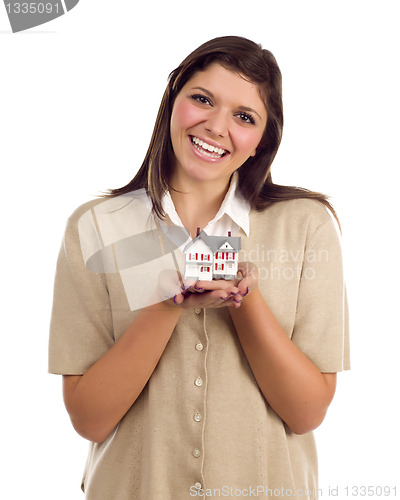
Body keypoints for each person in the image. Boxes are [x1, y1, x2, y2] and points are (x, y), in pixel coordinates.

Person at [49, 36, 350, 500]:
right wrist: (168, 303)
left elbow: (306, 413)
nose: (215, 126)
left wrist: (244, 302)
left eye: (244, 116)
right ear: (173, 102)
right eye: (202, 99)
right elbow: (89, 419)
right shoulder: (96, 227)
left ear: (262, 142)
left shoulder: (306, 227)